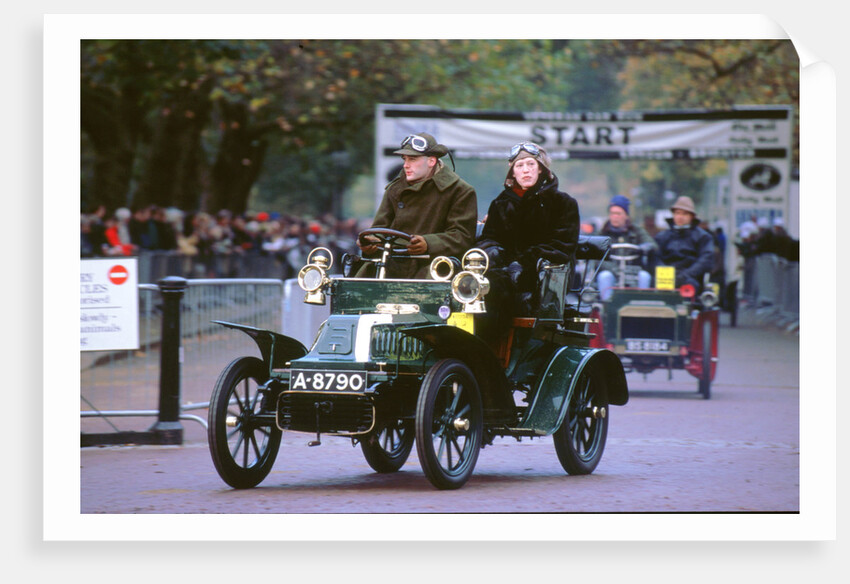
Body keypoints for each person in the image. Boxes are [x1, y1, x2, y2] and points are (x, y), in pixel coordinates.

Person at [475, 141, 580, 338]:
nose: (526, 170)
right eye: (520, 166)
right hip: (505, 273)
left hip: (545, 275)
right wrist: (494, 253)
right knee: (478, 289)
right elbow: (489, 239)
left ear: (540, 169)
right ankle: (479, 351)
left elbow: (563, 247)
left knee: (502, 291)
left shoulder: (564, 204)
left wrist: (524, 263)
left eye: (531, 164)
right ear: (512, 172)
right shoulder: (500, 204)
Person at [355, 133, 477, 279]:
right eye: (404, 159)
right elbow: (380, 229)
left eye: (413, 159)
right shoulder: (395, 189)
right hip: (393, 264)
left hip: (435, 266)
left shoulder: (459, 191)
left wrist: (429, 244)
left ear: (431, 161)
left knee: (429, 289)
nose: (406, 165)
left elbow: (462, 237)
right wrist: (371, 242)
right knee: (357, 287)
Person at [595, 195, 656, 300]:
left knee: (644, 276)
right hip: (611, 271)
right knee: (604, 277)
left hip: (633, 270)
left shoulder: (636, 230)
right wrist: (612, 268)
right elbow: (595, 255)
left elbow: (651, 244)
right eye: (612, 213)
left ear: (626, 215)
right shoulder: (603, 232)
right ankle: (607, 307)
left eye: (618, 213)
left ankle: (641, 306)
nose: (615, 216)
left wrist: (643, 248)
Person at [654, 195, 715, 290]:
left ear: (692, 216)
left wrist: (686, 275)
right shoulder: (662, 237)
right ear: (673, 215)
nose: (680, 217)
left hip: (691, 278)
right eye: (677, 213)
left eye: (685, 214)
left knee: (690, 287)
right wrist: (666, 274)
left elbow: (705, 260)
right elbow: (655, 257)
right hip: (664, 278)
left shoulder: (703, 237)